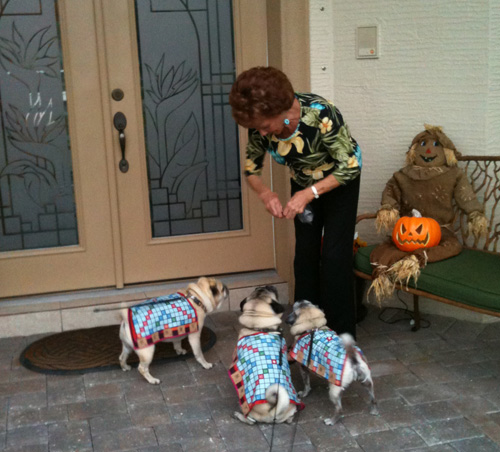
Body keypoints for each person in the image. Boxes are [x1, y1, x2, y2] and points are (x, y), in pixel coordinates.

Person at [229, 66, 362, 337]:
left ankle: (340, 337)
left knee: (335, 257)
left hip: (339, 181)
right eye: (257, 128)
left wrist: (309, 193)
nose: (263, 134)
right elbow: (251, 170)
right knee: (305, 256)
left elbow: (350, 166)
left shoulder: (321, 113)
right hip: (303, 184)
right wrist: (266, 194)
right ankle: (307, 332)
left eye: (265, 127)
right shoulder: (260, 125)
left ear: (281, 109)